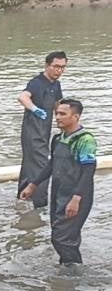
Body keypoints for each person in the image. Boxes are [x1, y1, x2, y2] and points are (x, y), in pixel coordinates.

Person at [19, 98, 97, 266]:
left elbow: (88, 171)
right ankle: (68, 266)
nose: (58, 117)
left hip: (77, 195)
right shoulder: (57, 138)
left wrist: (76, 199)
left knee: (62, 238)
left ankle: (73, 273)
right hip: (59, 193)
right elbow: (51, 164)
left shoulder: (85, 140)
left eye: (63, 114)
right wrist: (33, 185)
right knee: (60, 233)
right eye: (56, 113)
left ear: (75, 116)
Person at [17, 51, 67, 209]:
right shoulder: (37, 82)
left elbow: (59, 105)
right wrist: (34, 109)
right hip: (33, 134)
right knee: (43, 168)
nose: (59, 70)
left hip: (44, 134)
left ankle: (22, 199)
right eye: (56, 67)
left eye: (62, 67)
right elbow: (23, 97)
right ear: (47, 65)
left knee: (29, 167)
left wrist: (65, 126)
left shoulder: (56, 85)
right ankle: (41, 206)